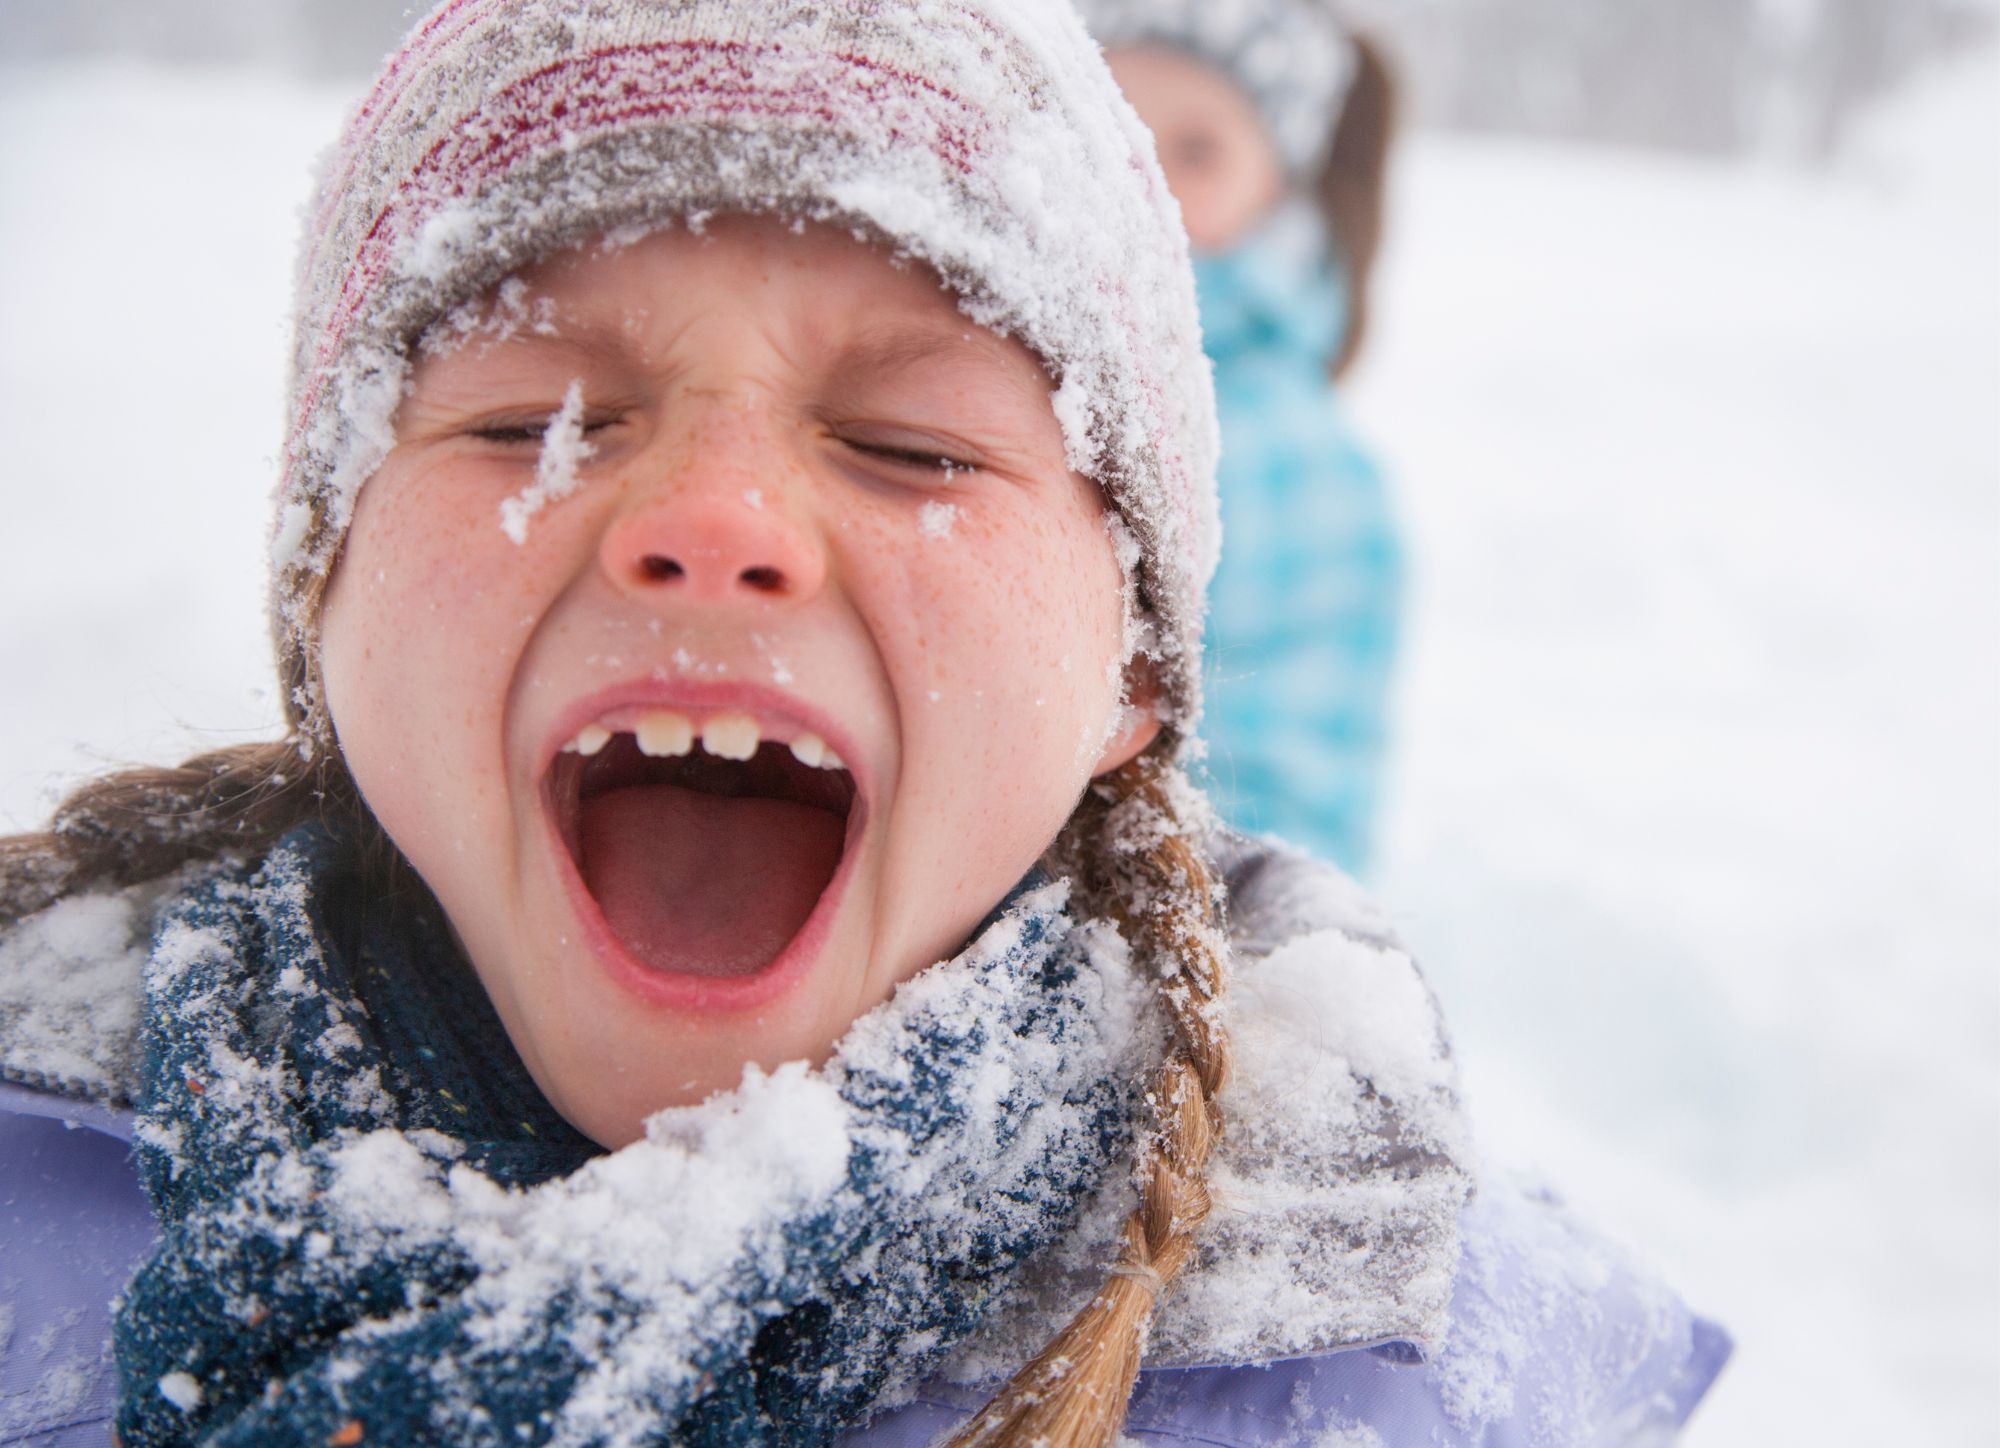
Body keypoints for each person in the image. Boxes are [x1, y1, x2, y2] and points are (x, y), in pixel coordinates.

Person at [0, 3, 1728, 1445]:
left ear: (1135, 673)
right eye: (532, 418)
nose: (714, 518)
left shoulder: (1418, 1366)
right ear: (326, 585)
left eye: (914, 448)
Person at [1084, 0, 1406, 876]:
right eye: (1112, 123)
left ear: (1278, 187)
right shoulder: (991, 360)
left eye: (1196, 151)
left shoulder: (1299, 464)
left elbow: (1287, 793)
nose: (1142, 176)